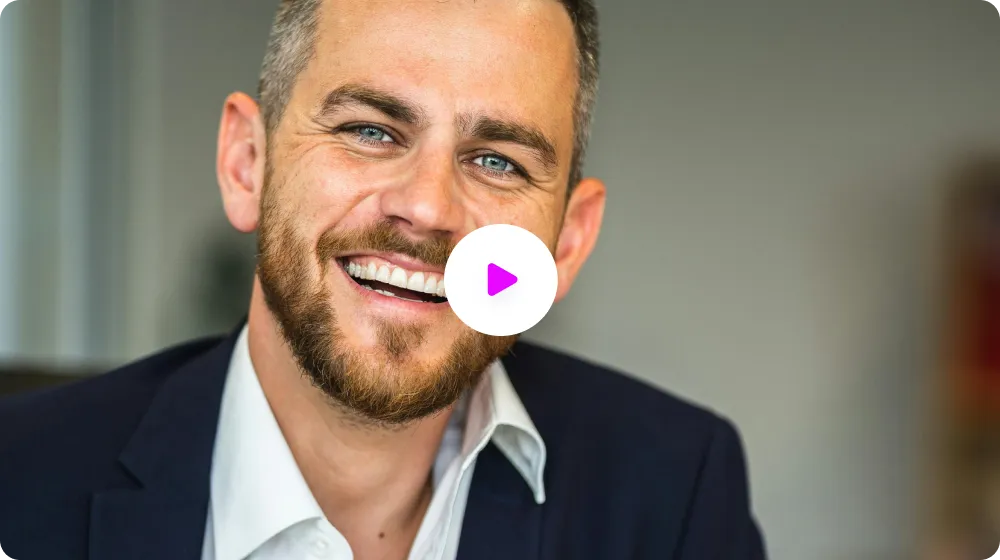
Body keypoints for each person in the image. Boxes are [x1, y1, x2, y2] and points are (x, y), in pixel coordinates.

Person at [0, 0, 766, 558]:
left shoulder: (675, 496)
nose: (427, 208)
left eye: (497, 161)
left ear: (566, 243)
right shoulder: (18, 479)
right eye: (370, 130)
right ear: (246, 165)